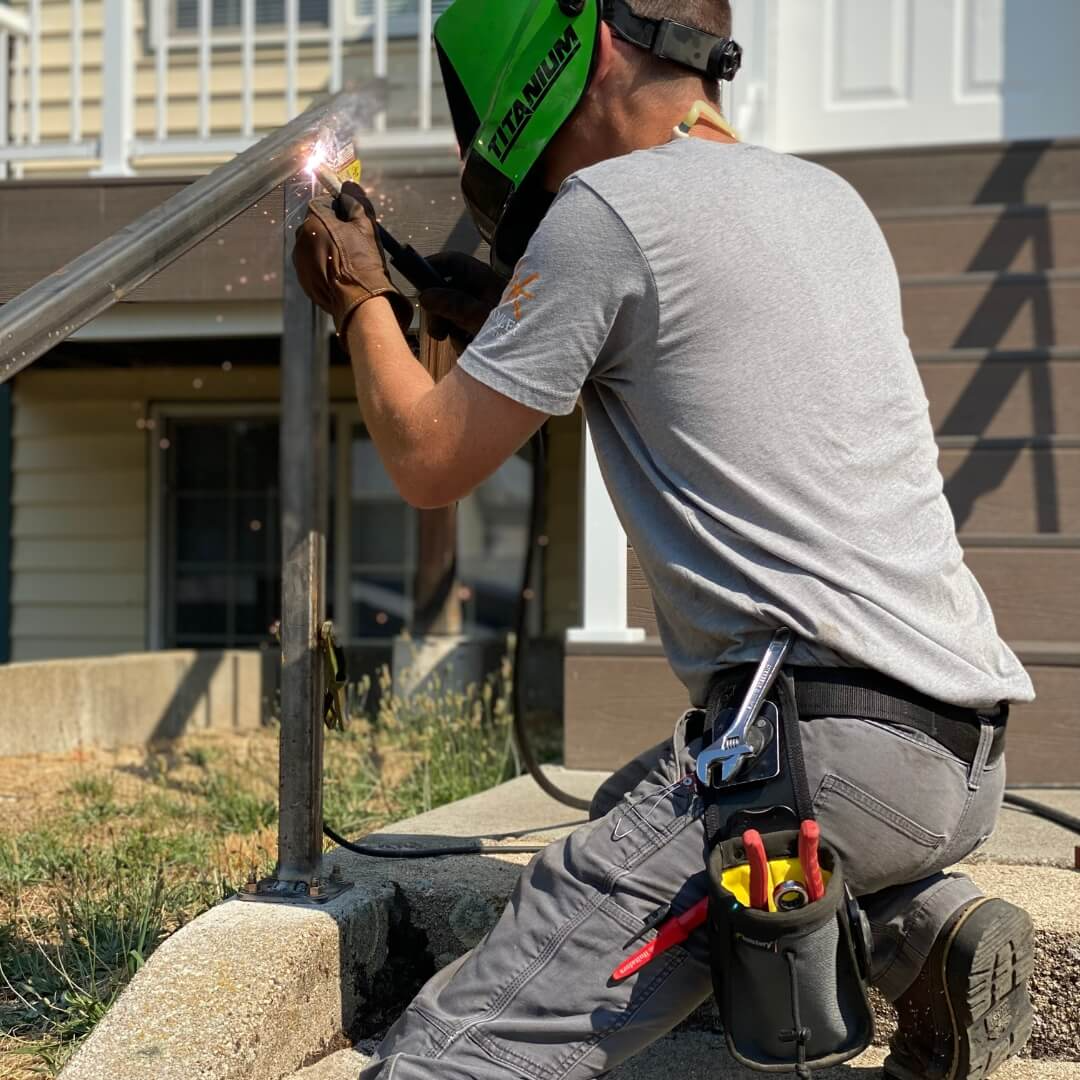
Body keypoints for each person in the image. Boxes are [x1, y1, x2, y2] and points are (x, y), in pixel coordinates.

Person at [291, 2, 1037, 1077]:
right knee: (622, 809)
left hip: (813, 762)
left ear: (584, 43)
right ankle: (925, 935)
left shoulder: (604, 211)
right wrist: (511, 313)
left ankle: (895, 924)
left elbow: (427, 459)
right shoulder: (827, 198)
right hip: (959, 751)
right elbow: (698, 352)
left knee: (453, 1052)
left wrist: (360, 296)